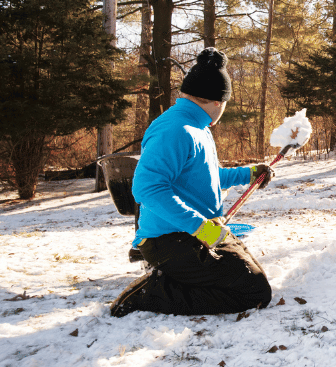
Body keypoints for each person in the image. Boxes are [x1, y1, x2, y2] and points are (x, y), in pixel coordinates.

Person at [110, 48, 273, 317]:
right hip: (170, 239)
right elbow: (146, 187)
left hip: (196, 232)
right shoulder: (176, 129)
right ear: (219, 102)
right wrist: (199, 227)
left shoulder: (196, 127)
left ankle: (179, 278)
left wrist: (250, 174)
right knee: (253, 292)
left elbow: (209, 178)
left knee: (253, 277)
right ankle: (153, 292)